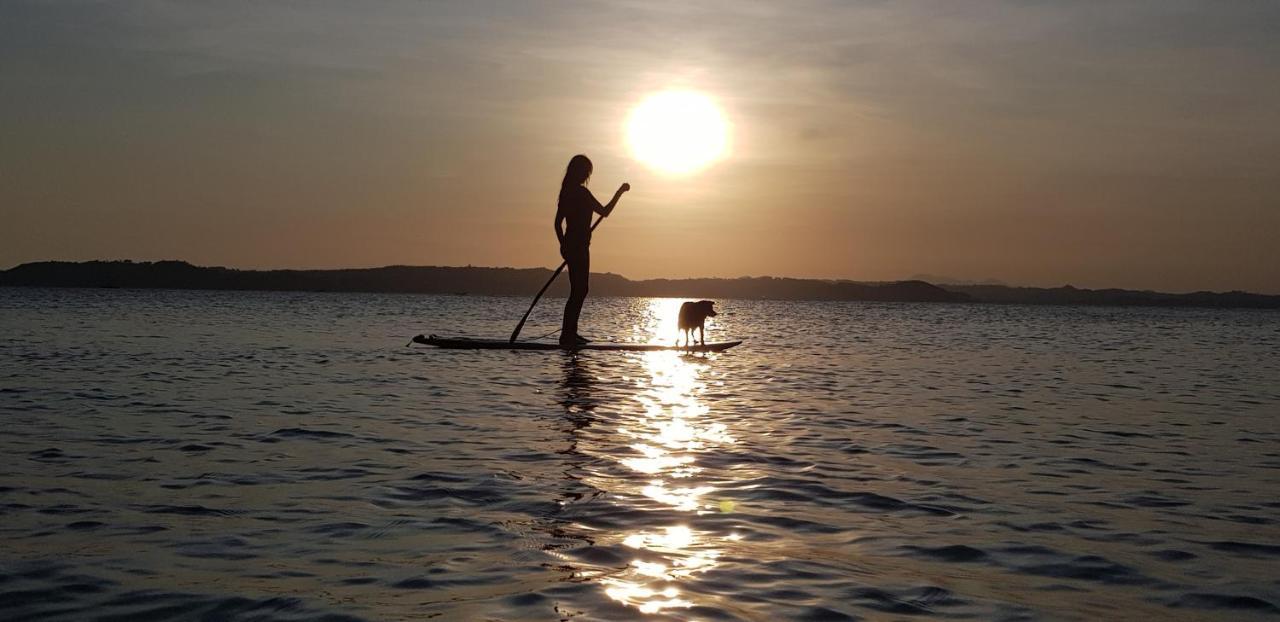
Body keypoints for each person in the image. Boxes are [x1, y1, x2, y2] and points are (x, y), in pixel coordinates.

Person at [554, 154, 629, 346]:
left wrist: (563, 245)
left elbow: (557, 224)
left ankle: (570, 333)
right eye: (586, 171)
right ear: (578, 172)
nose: (587, 174)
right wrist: (619, 192)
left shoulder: (567, 192)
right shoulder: (578, 193)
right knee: (579, 290)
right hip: (577, 248)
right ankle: (568, 334)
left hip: (576, 246)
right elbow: (605, 212)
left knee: (579, 290)